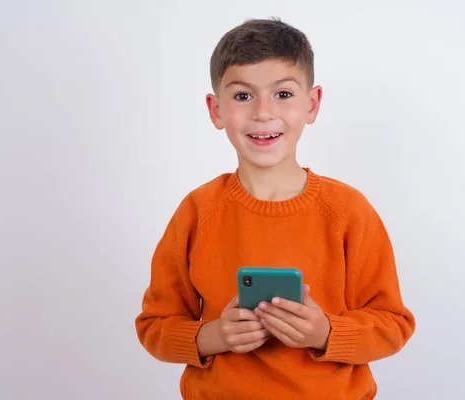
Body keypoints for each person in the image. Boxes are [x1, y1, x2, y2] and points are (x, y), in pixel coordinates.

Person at [135, 17, 416, 400]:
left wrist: (325, 333)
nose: (263, 113)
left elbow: (393, 324)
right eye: (243, 96)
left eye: (283, 94)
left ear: (312, 104)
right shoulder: (198, 211)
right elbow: (154, 326)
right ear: (216, 110)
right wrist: (213, 335)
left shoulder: (348, 210)